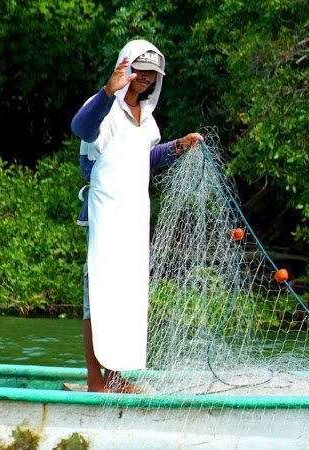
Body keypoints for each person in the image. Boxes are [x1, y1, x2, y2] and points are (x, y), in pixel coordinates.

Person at [71, 39, 203, 393]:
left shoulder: (148, 120)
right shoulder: (103, 109)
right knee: (98, 292)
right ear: (126, 69)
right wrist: (106, 92)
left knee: (126, 293)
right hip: (106, 212)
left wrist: (177, 147)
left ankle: (115, 374)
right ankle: (95, 379)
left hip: (134, 213)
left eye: (151, 74)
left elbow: (145, 160)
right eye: (139, 71)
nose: (144, 78)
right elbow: (81, 129)